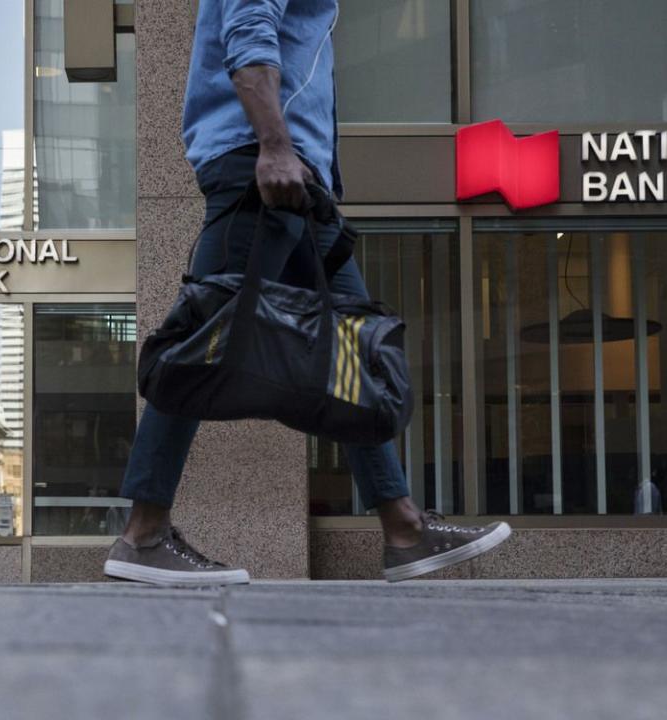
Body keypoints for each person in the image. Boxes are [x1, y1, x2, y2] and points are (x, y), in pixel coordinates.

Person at [104, 0, 511, 586]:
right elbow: (248, 33)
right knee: (199, 340)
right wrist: (273, 146)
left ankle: (404, 529)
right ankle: (142, 534)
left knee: (351, 351)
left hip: (298, 181)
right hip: (261, 167)